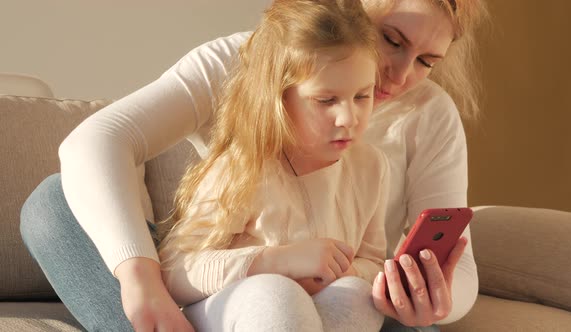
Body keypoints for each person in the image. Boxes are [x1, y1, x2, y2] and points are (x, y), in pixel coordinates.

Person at [20, 0, 489, 331]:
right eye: (391, 40)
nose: (403, 74)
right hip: (228, 279)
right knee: (53, 204)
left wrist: (423, 297)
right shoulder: (252, 63)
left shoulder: (423, 118)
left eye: (428, 61)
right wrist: (142, 281)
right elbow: (96, 141)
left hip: (355, 295)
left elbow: (455, 266)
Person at [156, 2, 388, 330]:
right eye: (326, 101)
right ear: (278, 98)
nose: (349, 118)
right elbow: (175, 270)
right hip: (241, 311)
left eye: (362, 97)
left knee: (356, 295)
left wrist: (347, 272)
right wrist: (279, 262)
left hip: (312, 314)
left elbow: (373, 261)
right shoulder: (244, 168)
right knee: (277, 294)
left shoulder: (370, 167)